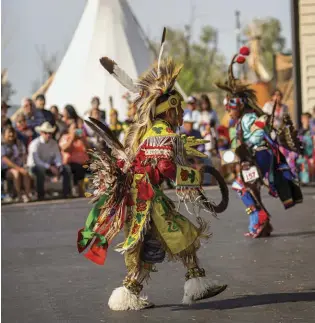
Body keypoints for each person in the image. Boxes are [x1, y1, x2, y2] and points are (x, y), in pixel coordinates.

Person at [77, 32, 227, 311]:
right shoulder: (161, 132)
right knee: (181, 235)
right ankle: (189, 286)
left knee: (151, 247)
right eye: (178, 109)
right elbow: (166, 167)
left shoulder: (151, 131)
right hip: (146, 197)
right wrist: (197, 177)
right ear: (168, 109)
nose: (181, 114)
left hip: (143, 196)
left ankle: (137, 292)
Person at [216, 46, 303, 238]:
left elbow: (258, 133)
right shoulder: (238, 122)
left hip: (260, 153)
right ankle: (263, 224)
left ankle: (260, 218)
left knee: (241, 186)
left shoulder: (247, 119)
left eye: (230, 108)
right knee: (251, 188)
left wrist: (248, 146)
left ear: (237, 106)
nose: (228, 112)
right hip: (256, 156)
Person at [27, 122, 71, 200]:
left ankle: (66, 193)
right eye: (46, 133)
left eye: (50, 133)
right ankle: (40, 195)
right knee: (40, 169)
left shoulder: (53, 143)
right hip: (34, 167)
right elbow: (36, 161)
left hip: (48, 166)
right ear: (41, 133)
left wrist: (58, 166)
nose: (48, 135)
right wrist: (50, 167)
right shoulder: (35, 144)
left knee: (66, 168)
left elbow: (57, 157)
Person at [59, 105, 89, 197]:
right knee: (75, 167)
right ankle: (75, 188)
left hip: (82, 162)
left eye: (77, 128)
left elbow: (88, 149)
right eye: (73, 127)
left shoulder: (80, 136)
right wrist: (72, 138)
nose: (75, 130)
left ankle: (79, 188)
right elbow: (66, 149)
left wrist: (82, 138)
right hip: (70, 162)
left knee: (82, 166)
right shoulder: (65, 137)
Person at [1, 125, 32, 202]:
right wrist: (19, 169)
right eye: (9, 133)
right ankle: (19, 195)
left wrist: (25, 166)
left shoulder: (19, 143)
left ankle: (27, 194)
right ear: (4, 134)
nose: (11, 134)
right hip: (5, 169)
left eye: (12, 132)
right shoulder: (2, 145)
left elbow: (24, 155)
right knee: (16, 173)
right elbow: (5, 160)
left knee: (26, 172)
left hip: (19, 166)